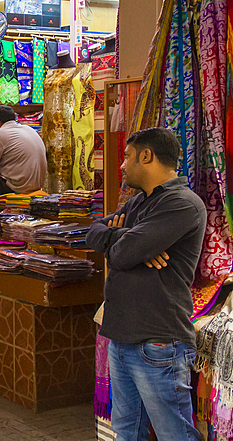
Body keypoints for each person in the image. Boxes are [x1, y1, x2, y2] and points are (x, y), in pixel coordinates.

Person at [86, 128, 205, 441]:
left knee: (174, 434)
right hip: (124, 337)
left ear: (146, 156)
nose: (123, 165)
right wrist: (129, 237)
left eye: (127, 156)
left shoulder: (182, 204)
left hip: (159, 340)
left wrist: (128, 242)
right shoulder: (140, 203)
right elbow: (94, 232)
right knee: (126, 432)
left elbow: (123, 256)